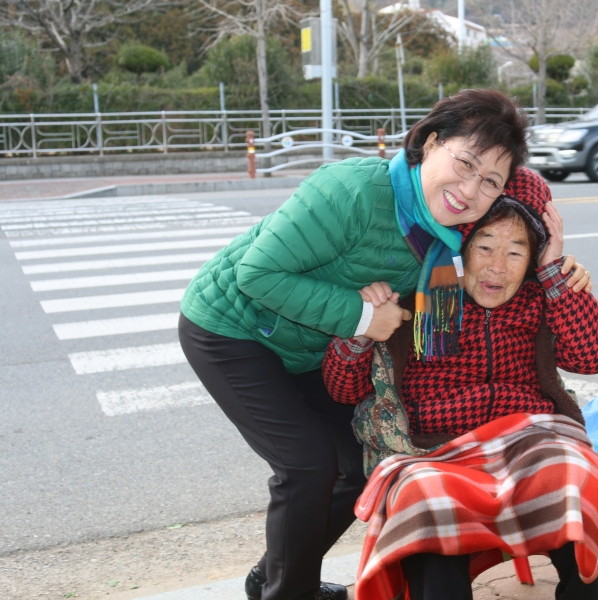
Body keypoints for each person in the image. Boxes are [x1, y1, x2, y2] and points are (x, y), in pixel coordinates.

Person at [177, 88, 529, 600]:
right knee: (307, 464)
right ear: (430, 143)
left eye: (490, 182)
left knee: (362, 463)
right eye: (466, 162)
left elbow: (440, 340)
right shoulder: (352, 190)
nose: (470, 189)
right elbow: (258, 274)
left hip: (307, 346)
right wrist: (363, 315)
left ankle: (274, 575)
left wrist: (554, 268)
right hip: (232, 327)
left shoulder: (449, 246)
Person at [322, 172, 598, 600]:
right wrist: (361, 328)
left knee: (573, 473)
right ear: (460, 250)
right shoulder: (423, 298)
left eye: (516, 251)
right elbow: (342, 390)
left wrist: (557, 278)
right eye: (485, 247)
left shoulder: (542, 296)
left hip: (530, 439)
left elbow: (595, 357)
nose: (496, 267)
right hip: (432, 451)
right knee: (425, 498)